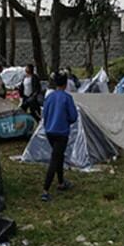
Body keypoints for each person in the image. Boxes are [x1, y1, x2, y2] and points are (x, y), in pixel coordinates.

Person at [41, 72, 78, 202]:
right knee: (55, 159)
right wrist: (65, 120)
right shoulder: (67, 98)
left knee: (59, 156)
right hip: (61, 132)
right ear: (66, 83)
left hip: (50, 131)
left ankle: (61, 182)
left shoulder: (49, 97)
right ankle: (45, 190)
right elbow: (73, 117)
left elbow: (44, 114)